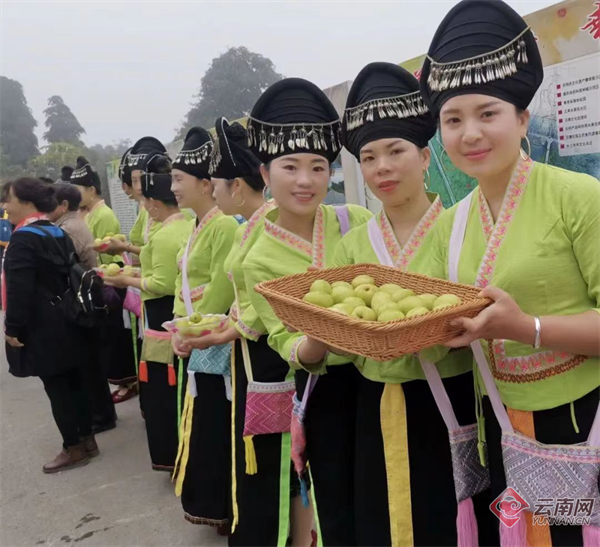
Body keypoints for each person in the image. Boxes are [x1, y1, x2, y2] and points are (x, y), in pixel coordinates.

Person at [420, 1, 600, 546]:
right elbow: (429, 318)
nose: (469, 133)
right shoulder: (447, 228)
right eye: (452, 120)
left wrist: (527, 328)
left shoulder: (580, 197)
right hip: (498, 427)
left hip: (579, 424)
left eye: (487, 113)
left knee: (570, 538)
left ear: (523, 118)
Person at [297, 62, 491, 546]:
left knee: (450, 518)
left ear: (425, 157)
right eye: (368, 156)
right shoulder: (352, 247)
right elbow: (335, 335)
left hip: (450, 399)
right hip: (373, 404)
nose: (382, 167)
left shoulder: (464, 229)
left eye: (396, 151)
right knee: (383, 520)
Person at [241, 78, 373, 546]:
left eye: (318, 167)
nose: (305, 180)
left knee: (384, 494)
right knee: (338, 500)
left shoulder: (353, 219)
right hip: (325, 391)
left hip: (381, 376)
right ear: (264, 173)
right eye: (290, 167)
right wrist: (321, 335)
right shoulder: (256, 260)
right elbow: (285, 342)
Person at [182, 117, 311, 546]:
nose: (212, 192)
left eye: (216, 184)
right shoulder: (249, 226)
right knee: (261, 456)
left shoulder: (273, 226)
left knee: (281, 460)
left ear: (237, 186)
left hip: (276, 355)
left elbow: (267, 302)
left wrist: (223, 331)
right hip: (250, 357)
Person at [2, 177, 98, 473]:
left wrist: (13, 329)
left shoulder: (22, 238)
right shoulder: (54, 230)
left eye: (9, 199)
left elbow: (19, 289)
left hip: (43, 324)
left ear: (27, 202)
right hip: (67, 316)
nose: (5, 206)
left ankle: (73, 448)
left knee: (57, 386)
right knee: (74, 381)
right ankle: (87, 439)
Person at [169, 126, 239, 532]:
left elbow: (219, 288)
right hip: (194, 339)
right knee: (204, 425)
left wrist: (190, 332)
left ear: (205, 183)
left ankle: (226, 507)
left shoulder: (224, 227)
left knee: (218, 427)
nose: (173, 187)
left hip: (211, 340)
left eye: (179, 179)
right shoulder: (199, 226)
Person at [104, 151, 190, 471]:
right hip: (176, 312)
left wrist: (125, 277)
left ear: (154, 203)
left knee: (165, 387)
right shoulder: (190, 224)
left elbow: (162, 283)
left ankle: (172, 454)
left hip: (161, 317)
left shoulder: (166, 233)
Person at [48, 182, 117, 434]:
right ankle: (102, 413)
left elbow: (61, 264)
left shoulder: (68, 228)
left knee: (88, 363)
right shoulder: (70, 223)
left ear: (64, 205)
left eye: (50, 202)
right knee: (90, 362)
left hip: (83, 300)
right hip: (86, 297)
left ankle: (101, 416)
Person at [69, 156, 138, 404]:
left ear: (91, 190)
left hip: (110, 277)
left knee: (116, 334)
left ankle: (127, 380)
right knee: (107, 335)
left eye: (78, 191)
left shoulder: (104, 214)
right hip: (99, 277)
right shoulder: (88, 214)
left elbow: (109, 248)